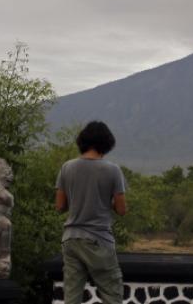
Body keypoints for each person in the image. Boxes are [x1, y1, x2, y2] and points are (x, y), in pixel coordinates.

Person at [55, 121, 128, 304]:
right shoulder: (112, 170)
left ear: (83, 141)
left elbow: (60, 206)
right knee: (112, 294)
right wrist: (107, 201)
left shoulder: (67, 167)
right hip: (98, 239)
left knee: (71, 296)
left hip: (70, 239)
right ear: (107, 143)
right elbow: (121, 209)